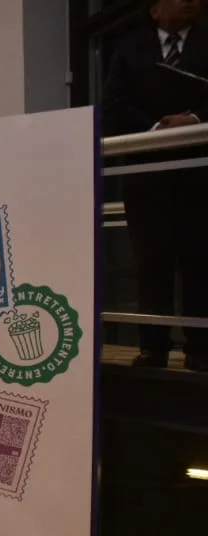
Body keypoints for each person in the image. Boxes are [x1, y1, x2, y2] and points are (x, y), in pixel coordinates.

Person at [103, 0, 208, 371]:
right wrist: (155, 129)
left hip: (200, 173)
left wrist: (194, 120)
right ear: (155, 10)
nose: (188, 1)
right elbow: (113, 106)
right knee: (151, 262)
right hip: (146, 174)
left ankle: (200, 348)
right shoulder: (128, 47)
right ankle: (153, 347)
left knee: (199, 261)